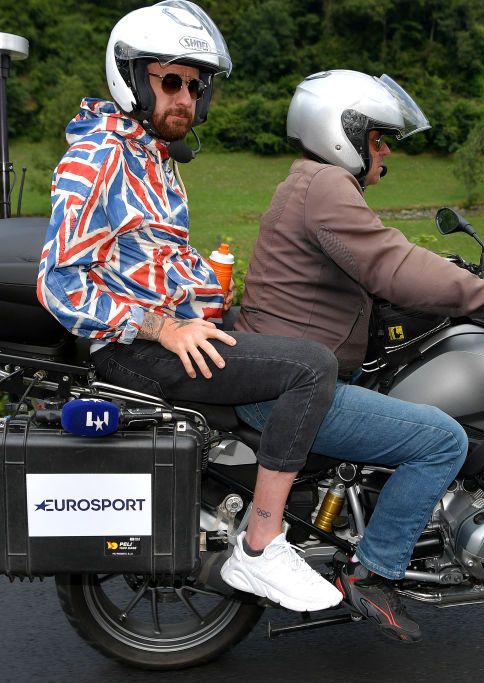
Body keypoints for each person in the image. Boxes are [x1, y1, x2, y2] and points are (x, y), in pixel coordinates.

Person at [36, 1, 342, 613]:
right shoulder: (99, 158)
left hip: (166, 334)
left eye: (196, 87)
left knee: (302, 341)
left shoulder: (150, 155)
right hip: (135, 352)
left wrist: (204, 292)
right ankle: (262, 546)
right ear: (131, 77)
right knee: (312, 368)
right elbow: (59, 284)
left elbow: (148, 258)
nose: (185, 99)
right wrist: (163, 327)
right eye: (171, 81)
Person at [235, 70, 484, 642]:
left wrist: (457, 276)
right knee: (443, 441)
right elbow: (391, 265)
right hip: (292, 391)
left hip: (284, 374)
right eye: (377, 138)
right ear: (339, 133)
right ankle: (375, 571)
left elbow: (377, 254)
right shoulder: (326, 184)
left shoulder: (308, 182)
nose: (385, 150)